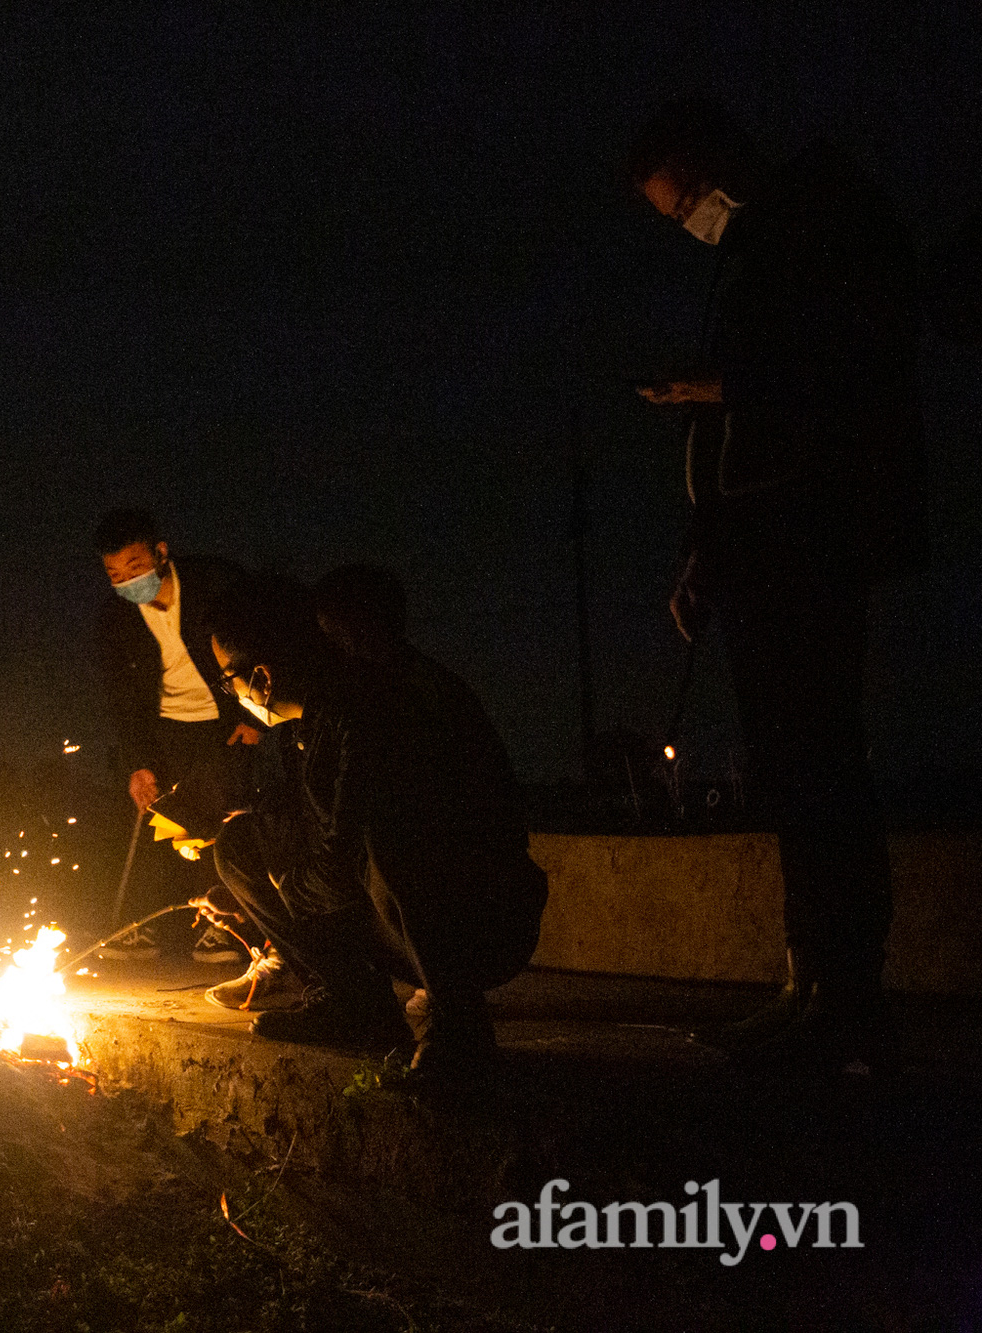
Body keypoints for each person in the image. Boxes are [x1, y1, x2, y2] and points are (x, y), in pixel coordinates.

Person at [628, 100, 928, 1071]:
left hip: (812, 539)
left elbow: (836, 369)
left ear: (710, 165)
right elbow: (743, 426)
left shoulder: (817, 223)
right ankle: (807, 981)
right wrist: (703, 552)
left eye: (681, 206)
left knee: (820, 760)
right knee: (789, 767)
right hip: (760, 548)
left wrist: (713, 386)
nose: (685, 225)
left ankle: (847, 993)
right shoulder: (757, 248)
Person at [197, 577, 548, 1079]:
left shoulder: (376, 709)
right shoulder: (308, 725)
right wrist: (261, 885)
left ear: (263, 676)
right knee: (242, 847)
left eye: (228, 680)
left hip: (480, 923)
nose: (231, 695)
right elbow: (305, 831)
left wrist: (292, 885)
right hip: (400, 912)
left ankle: (460, 1027)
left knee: (386, 831)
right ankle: (350, 1005)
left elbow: (348, 846)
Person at [92, 508, 259, 961]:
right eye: (114, 574)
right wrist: (138, 763)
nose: (127, 581)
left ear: (161, 553)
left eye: (136, 567)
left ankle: (227, 926)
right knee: (159, 819)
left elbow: (261, 641)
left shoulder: (214, 584)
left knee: (223, 820)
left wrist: (255, 714)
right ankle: (142, 927)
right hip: (168, 726)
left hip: (229, 718)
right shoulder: (117, 619)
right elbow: (122, 696)